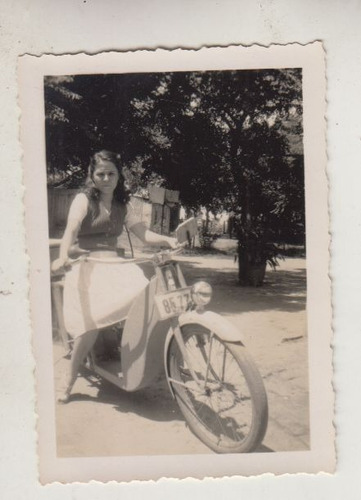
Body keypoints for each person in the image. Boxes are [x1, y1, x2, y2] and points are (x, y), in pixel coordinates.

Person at [52, 150, 177, 403]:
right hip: (87, 264)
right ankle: (69, 378)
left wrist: (167, 239)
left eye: (111, 173)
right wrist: (63, 256)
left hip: (115, 264)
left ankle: (143, 357)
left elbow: (144, 235)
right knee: (90, 325)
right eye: (101, 174)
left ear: (119, 176)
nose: (106, 178)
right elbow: (71, 230)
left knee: (149, 298)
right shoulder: (82, 200)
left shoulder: (125, 204)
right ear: (92, 175)